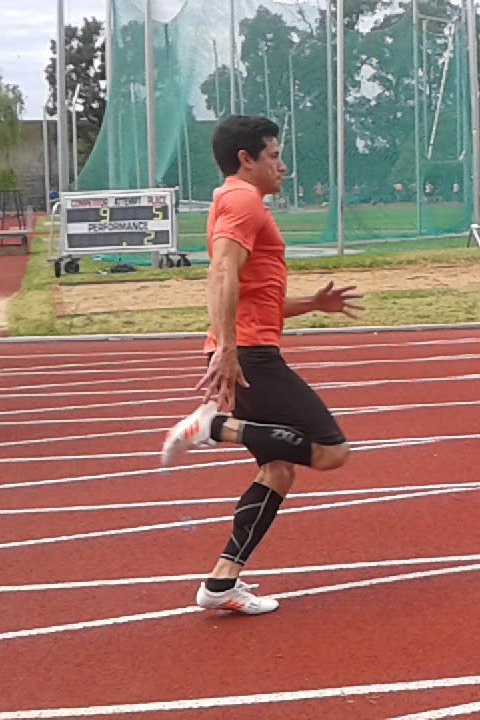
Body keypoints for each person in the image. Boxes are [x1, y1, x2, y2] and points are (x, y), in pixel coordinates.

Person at [159, 115, 364, 615]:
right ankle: (216, 427)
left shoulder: (240, 201)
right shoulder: (242, 200)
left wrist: (311, 305)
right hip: (249, 353)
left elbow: (253, 290)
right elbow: (221, 271)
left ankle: (221, 582)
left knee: (278, 471)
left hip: (247, 345)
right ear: (246, 159)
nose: (282, 165)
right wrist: (228, 350)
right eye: (274, 155)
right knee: (331, 451)